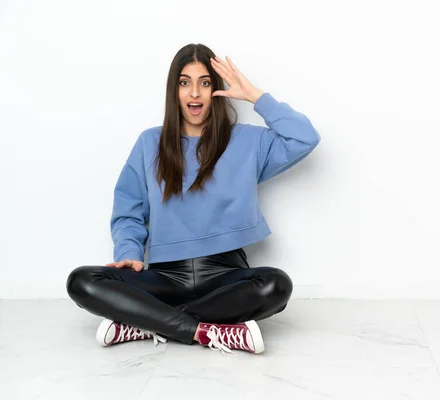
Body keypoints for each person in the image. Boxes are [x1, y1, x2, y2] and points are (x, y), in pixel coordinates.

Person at [65, 43, 321, 355]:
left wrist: (254, 95)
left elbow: (304, 137)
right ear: (174, 91)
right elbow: (128, 208)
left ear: (216, 89)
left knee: (276, 285)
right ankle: (206, 331)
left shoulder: (247, 141)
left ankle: (146, 322)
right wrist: (129, 251)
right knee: (82, 281)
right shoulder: (150, 143)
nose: (195, 94)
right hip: (164, 276)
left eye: (204, 83)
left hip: (225, 274)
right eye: (185, 83)